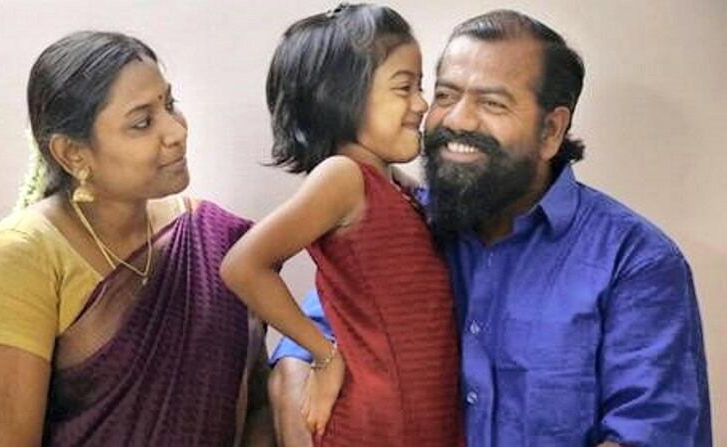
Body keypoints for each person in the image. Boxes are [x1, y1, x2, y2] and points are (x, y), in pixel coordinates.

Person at [269, 9, 712, 447]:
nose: (458, 120)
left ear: (551, 131)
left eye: (492, 103)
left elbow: (651, 434)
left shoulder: (636, 262)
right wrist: (295, 400)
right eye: (444, 95)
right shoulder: (401, 220)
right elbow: (309, 341)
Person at [0, 31, 272, 446]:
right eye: (142, 122)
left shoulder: (216, 237)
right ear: (72, 154)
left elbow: (257, 407)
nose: (175, 131)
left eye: (170, 104)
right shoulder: (23, 255)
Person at [220, 4, 462, 446]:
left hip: (421, 422)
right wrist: (324, 354)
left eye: (420, 86)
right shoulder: (342, 177)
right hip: (372, 425)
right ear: (342, 99)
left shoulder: (394, 187)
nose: (422, 103)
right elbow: (243, 265)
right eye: (404, 87)